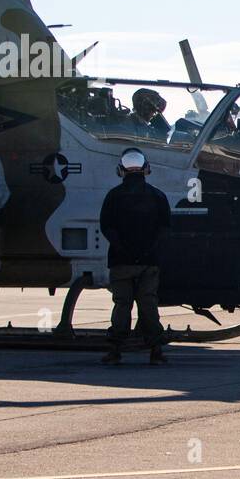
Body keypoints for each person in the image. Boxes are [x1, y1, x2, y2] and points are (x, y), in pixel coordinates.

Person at [99, 147, 172, 364]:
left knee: (122, 304)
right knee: (148, 303)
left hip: (121, 262)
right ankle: (156, 350)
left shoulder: (113, 196)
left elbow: (107, 227)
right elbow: (165, 228)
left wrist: (123, 247)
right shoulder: (158, 196)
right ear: (146, 169)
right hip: (149, 262)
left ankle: (115, 350)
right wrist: (149, 249)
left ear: (121, 170)